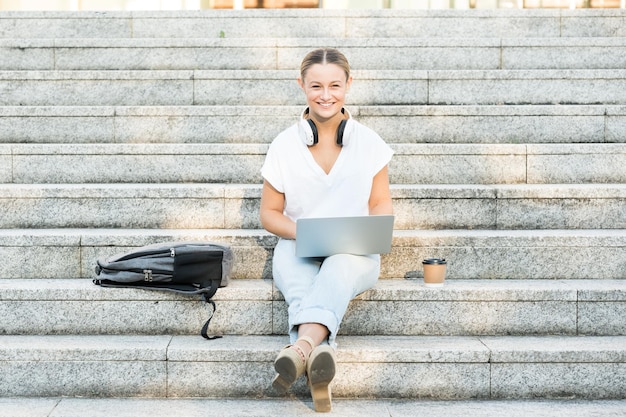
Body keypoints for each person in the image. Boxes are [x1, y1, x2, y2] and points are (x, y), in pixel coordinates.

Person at [259, 48, 394, 413]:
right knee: (302, 287)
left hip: (354, 252)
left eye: (335, 85)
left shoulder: (368, 142)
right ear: (301, 85)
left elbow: (381, 202)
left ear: (349, 85)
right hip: (296, 242)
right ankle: (319, 362)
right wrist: (303, 234)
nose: (325, 95)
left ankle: (299, 350)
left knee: (337, 267)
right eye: (316, 85)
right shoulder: (284, 145)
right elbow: (269, 214)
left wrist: (375, 227)